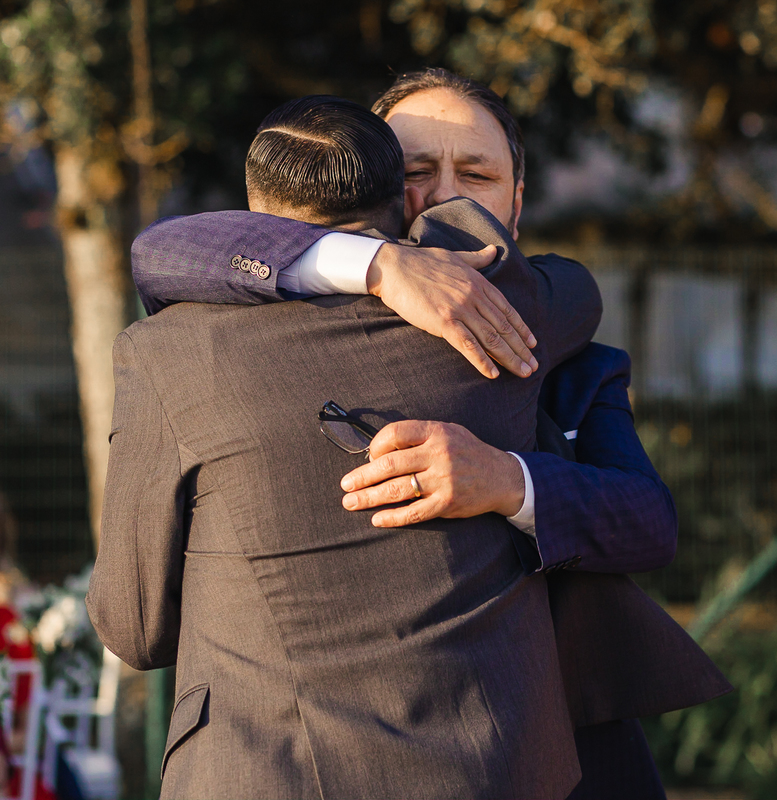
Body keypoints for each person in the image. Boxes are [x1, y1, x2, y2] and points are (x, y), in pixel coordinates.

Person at [129, 68, 730, 798]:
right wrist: (378, 263)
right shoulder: (233, 339)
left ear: (515, 203)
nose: (445, 195)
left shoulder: (557, 340)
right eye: (417, 171)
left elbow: (650, 524)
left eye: (475, 173)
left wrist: (510, 482)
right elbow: (164, 249)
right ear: (368, 183)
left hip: (537, 755)